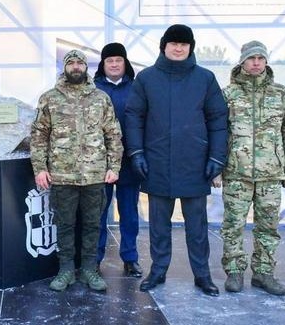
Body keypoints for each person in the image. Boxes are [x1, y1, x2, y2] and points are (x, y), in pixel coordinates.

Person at [125, 24, 228, 296]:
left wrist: (217, 157)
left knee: (197, 226)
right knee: (158, 225)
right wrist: (136, 152)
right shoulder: (146, 78)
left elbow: (218, 119)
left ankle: (202, 275)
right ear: (164, 46)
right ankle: (158, 271)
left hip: (194, 163)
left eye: (184, 43)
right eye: (174, 43)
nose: (179, 47)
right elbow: (134, 117)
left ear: (190, 47)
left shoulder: (205, 78)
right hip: (157, 162)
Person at [30, 49, 123, 292]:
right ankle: (66, 270)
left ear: (85, 67)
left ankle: (90, 270)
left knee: (93, 224)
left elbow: (113, 134)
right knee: (65, 224)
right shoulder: (50, 98)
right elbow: (39, 135)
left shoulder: (100, 98)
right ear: (65, 67)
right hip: (62, 175)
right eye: (70, 63)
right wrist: (40, 168)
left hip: (94, 175)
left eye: (79, 63)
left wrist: (114, 166)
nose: (75, 67)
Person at [221, 40, 285, 296]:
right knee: (233, 224)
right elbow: (218, 133)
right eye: (251, 58)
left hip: (270, 174)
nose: (256, 62)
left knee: (268, 226)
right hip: (236, 173)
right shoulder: (228, 94)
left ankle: (263, 273)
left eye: (260, 58)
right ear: (242, 62)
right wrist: (217, 168)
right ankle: (234, 270)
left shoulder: (281, 94)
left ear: (266, 62)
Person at [93, 42, 143, 277]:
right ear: (103, 65)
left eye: (118, 60)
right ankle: (94, 258)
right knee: (98, 214)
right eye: (109, 61)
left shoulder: (137, 89)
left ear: (125, 63)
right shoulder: (93, 90)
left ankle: (130, 258)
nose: (114, 64)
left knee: (129, 214)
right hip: (98, 163)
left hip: (129, 163)